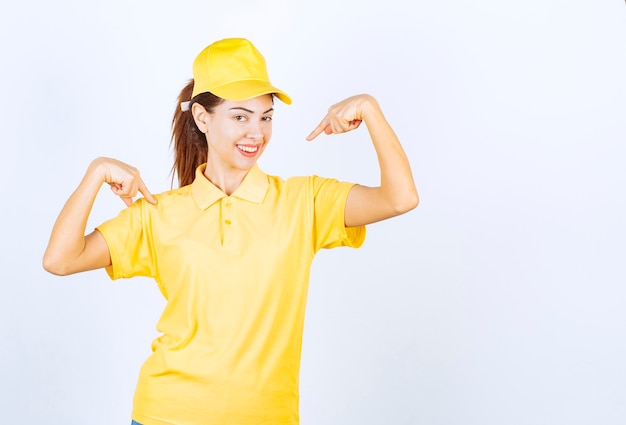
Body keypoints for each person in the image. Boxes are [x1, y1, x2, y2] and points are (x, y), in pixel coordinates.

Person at [43, 37, 418, 425]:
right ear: (203, 118)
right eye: (240, 116)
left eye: (266, 117)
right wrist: (96, 172)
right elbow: (60, 259)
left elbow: (400, 198)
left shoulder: (304, 201)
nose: (256, 132)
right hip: (167, 414)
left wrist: (371, 111)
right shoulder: (159, 213)